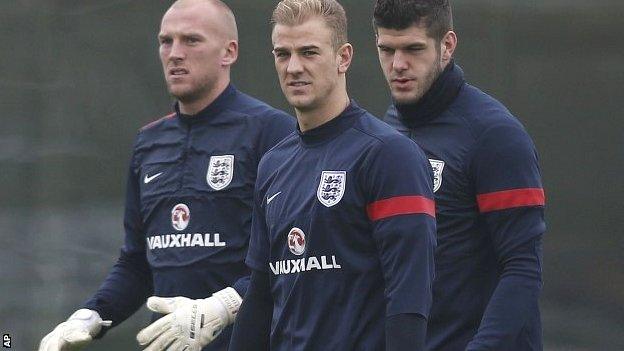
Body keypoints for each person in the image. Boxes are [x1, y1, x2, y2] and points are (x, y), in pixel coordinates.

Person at [37, 1, 295, 350]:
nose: (174, 53)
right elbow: (138, 263)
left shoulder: (270, 131)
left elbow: (293, 257)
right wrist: (92, 315)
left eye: (191, 40)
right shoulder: (149, 142)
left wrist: (226, 305)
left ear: (229, 52)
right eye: (165, 41)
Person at [228, 1, 437, 350]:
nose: (293, 67)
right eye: (283, 54)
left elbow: (408, 299)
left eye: (309, 52)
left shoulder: (389, 155)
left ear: (343, 57)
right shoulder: (272, 165)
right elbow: (262, 296)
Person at [372, 1, 546, 350]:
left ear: (447, 46)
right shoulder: (387, 129)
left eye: (413, 49)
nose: (398, 65)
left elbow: (523, 267)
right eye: (386, 49)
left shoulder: (494, 134)